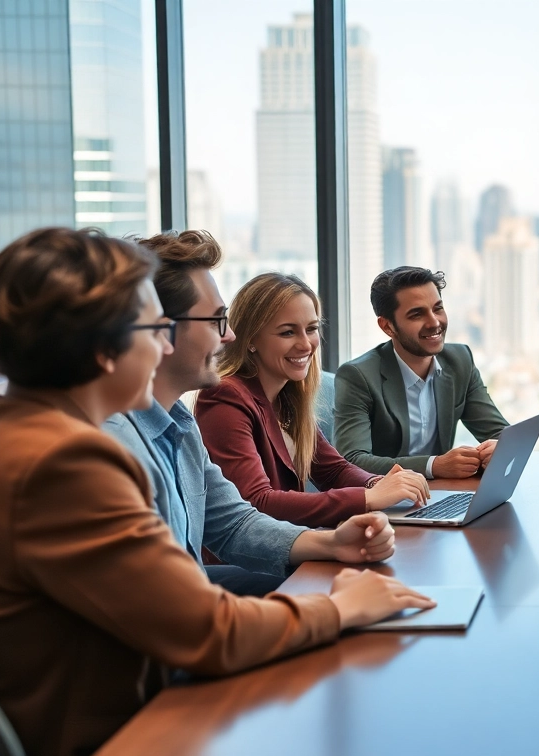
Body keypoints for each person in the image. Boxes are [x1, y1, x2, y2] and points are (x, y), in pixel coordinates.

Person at [0, 228, 433, 756]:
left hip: (135, 693)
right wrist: (339, 608)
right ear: (102, 343)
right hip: (119, 737)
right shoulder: (65, 462)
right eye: (155, 329)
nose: (164, 346)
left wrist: (328, 542)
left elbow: (228, 525)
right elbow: (209, 632)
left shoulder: (35, 431)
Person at [104, 231, 405, 597]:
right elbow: (162, 603)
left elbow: (234, 524)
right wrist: (329, 610)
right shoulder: (115, 445)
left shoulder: (180, 426)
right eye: (216, 321)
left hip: (189, 594)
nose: (228, 334)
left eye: (311, 329)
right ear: (160, 331)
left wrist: (334, 543)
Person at [194, 273, 430, 527]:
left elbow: (333, 469)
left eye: (312, 329)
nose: (306, 345)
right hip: (245, 563)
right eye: (287, 333)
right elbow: (257, 502)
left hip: (294, 545)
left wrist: (377, 483)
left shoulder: (288, 394)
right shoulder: (224, 397)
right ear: (250, 340)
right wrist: (367, 498)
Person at [334, 266, 508, 479]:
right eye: (417, 314)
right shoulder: (358, 376)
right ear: (388, 326)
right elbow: (352, 460)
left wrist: (497, 448)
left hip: (441, 493)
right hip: (385, 501)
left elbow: (501, 433)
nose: (434, 322)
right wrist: (433, 466)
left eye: (437, 308)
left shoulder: (459, 360)